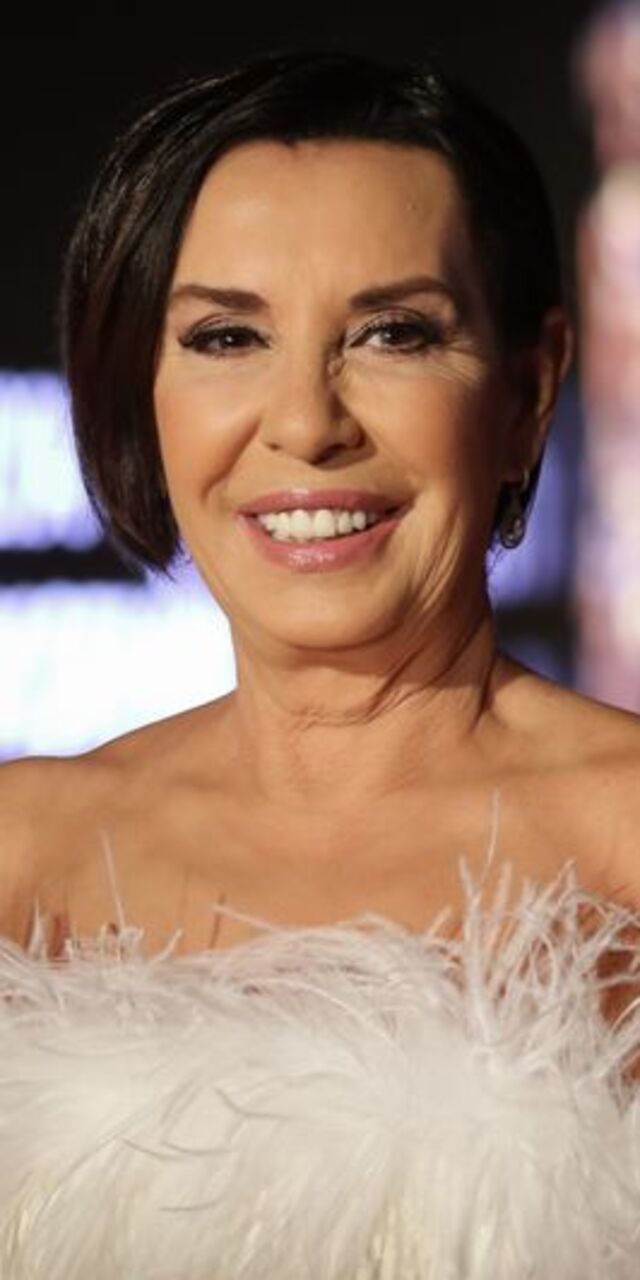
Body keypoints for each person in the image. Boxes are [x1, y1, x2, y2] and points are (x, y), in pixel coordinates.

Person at [0, 49, 639, 1280]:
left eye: (393, 333)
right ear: (142, 388)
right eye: (227, 335)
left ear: (527, 390)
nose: (304, 421)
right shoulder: (22, 860)